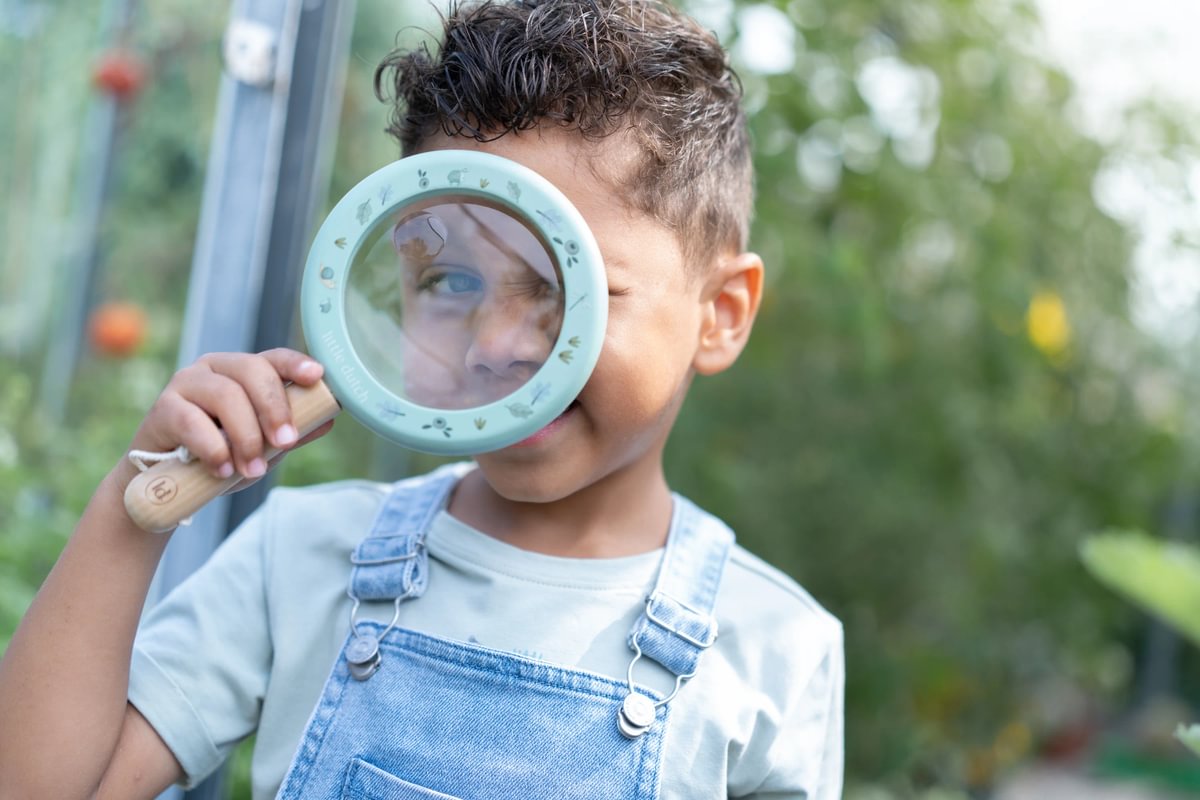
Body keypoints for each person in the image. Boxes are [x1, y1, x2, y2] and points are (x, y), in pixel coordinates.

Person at [0, 1, 844, 798]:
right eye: (449, 279)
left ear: (720, 315)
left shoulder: (775, 648)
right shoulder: (299, 559)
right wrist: (130, 507)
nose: (494, 343)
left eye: (566, 286)